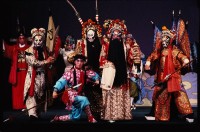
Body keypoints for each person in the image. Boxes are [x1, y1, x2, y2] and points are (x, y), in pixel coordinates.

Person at [144, 25, 194, 122]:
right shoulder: (159, 51)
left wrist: (185, 60)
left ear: (170, 40)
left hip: (173, 76)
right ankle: (160, 115)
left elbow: (181, 56)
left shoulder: (174, 50)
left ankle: (188, 114)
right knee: (160, 95)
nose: (163, 40)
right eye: (162, 38)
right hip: (162, 77)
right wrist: (148, 62)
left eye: (166, 38)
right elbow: (152, 56)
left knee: (179, 95)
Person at [99, 19, 133, 122]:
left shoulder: (125, 46)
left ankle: (124, 115)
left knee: (122, 91)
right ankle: (110, 115)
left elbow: (130, 59)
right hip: (110, 72)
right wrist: (107, 64)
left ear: (122, 35)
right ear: (111, 33)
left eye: (118, 33)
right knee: (111, 92)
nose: (116, 35)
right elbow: (101, 58)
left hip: (122, 72)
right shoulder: (106, 45)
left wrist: (131, 58)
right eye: (114, 32)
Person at [51, 54, 100, 123]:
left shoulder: (85, 72)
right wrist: (55, 90)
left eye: (81, 61)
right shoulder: (70, 73)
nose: (79, 63)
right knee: (84, 99)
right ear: (74, 62)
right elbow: (61, 81)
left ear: (83, 63)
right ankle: (90, 118)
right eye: (78, 61)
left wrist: (97, 79)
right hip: (71, 95)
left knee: (75, 117)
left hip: (79, 94)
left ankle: (58, 118)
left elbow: (95, 75)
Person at [23, 28, 56, 120]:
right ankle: (32, 113)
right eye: (36, 40)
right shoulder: (28, 51)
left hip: (42, 75)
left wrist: (51, 61)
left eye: (40, 40)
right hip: (32, 75)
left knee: (41, 94)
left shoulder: (45, 49)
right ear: (33, 40)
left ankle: (37, 111)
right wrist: (47, 61)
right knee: (31, 94)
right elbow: (34, 62)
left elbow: (49, 61)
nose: (38, 42)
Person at [75, 19, 103, 120]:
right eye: (88, 35)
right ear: (85, 34)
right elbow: (77, 56)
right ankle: (90, 114)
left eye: (92, 34)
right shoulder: (81, 43)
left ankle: (99, 113)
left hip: (98, 71)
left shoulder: (100, 43)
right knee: (88, 93)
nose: (90, 37)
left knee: (98, 93)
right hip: (86, 71)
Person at [3, 32, 31, 110]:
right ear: (18, 39)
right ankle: (17, 106)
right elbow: (6, 49)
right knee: (17, 90)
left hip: (26, 72)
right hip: (17, 73)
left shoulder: (29, 48)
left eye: (23, 38)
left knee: (26, 89)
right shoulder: (14, 48)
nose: (21, 39)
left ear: (25, 39)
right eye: (20, 38)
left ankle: (26, 106)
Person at [125, 33, 145, 110]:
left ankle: (131, 103)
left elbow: (139, 59)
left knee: (133, 87)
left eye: (129, 40)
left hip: (133, 71)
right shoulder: (123, 47)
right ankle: (126, 104)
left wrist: (136, 72)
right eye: (127, 40)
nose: (128, 41)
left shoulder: (135, 48)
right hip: (125, 71)